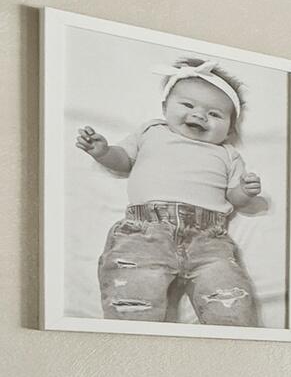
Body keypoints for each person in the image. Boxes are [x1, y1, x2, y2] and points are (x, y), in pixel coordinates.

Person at [76, 59, 265, 324]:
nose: (199, 115)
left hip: (209, 241)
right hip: (145, 233)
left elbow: (234, 198)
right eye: (187, 105)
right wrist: (104, 152)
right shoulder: (151, 131)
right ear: (165, 107)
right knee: (132, 302)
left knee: (231, 303)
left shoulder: (227, 154)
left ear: (230, 129)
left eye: (215, 114)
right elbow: (123, 161)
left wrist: (245, 191)